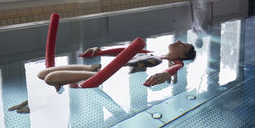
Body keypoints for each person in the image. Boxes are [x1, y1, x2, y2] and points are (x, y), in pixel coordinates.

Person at [38, 40, 196, 89]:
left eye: (183, 45)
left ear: (182, 56)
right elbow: (125, 51)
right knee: (42, 74)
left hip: (105, 75)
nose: (179, 41)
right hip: (99, 68)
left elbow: (177, 67)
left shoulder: (174, 62)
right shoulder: (153, 53)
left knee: (50, 78)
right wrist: (99, 51)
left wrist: (167, 73)